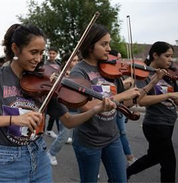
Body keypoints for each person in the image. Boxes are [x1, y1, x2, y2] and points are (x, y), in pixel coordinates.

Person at [0, 23, 119, 182]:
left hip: (40, 156)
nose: (38, 59)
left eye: (41, 53)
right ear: (15, 49)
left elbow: (68, 121)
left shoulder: (45, 81)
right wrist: (13, 120)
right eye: (33, 52)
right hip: (9, 161)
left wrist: (94, 110)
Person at [66, 24, 143, 182]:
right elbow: (86, 106)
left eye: (109, 43)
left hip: (112, 137)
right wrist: (120, 97)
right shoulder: (79, 71)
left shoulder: (111, 70)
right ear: (89, 46)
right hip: (89, 140)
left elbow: (126, 102)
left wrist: (139, 92)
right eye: (104, 44)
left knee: (120, 180)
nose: (109, 48)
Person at [128, 41, 178, 182]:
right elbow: (141, 101)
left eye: (171, 56)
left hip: (169, 122)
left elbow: (176, 97)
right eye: (167, 56)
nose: (170, 60)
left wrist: (177, 99)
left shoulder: (169, 76)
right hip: (156, 124)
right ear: (155, 55)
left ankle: (125, 173)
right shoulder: (143, 75)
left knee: (154, 157)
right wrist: (168, 95)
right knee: (169, 163)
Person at [47, 53, 79, 166]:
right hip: (65, 109)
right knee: (63, 136)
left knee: (80, 138)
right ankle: (51, 153)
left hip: (78, 109)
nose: (75, 63)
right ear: (66, 62)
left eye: (77, 60)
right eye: (73, 60)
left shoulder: (79, 74)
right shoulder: (58, 74)